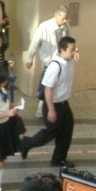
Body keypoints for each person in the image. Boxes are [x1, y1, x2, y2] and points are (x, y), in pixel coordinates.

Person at [20, 36, 78, 168]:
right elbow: (48, 89)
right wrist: (51, 110)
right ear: (62, 50)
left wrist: (76, 51)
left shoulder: (68, 60)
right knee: (50, 133)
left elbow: (74, 52)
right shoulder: (55, 67)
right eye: (72, 50)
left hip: (64, 103)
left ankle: (59, 159)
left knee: (66, 131)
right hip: (54, 104)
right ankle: (26, 144)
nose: (74, 52)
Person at [25, 5, 73, 117]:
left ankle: (50, 108)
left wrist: (74, 50)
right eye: (63, 18)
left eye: (66, 18)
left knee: (56, 86)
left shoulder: (66, 26)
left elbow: (70, 40)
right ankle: (42, 109)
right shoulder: (44, 27)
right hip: (48, 63)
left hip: (60, 62)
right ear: (56, 15)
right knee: (48, 86)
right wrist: (29, 59)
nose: (65, 21)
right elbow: (34, 43)